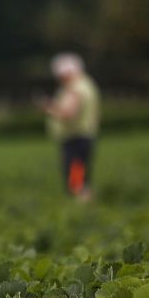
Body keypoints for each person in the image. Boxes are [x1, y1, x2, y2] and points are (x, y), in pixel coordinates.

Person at [41, 52, 100, 200]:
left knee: (76, 180)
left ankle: (82, 207)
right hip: (83, 137)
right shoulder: (87, 84)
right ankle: (84, 204)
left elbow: (68, 113)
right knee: (80, 176)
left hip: (76, 139)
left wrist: (49, 108)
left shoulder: (75, 88)